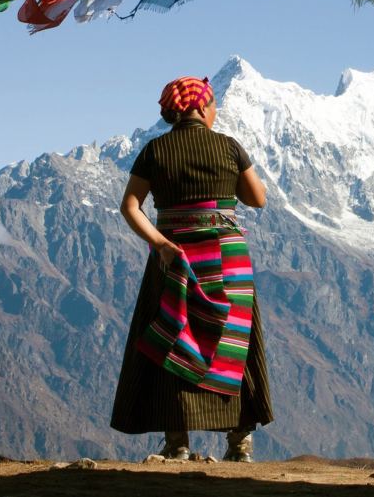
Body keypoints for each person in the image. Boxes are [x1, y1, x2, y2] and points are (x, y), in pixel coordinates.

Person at [111, 76, 273, 462]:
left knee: (174, 335)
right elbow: (257, 199)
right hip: (227, 257)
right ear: (200, 107)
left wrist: (162, 244)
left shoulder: (156, 150)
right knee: (233, 341)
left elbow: (130, 206)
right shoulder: (229, 147)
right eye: (213, 104)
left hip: (175, 257)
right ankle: (239, 443)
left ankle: (177, 442)